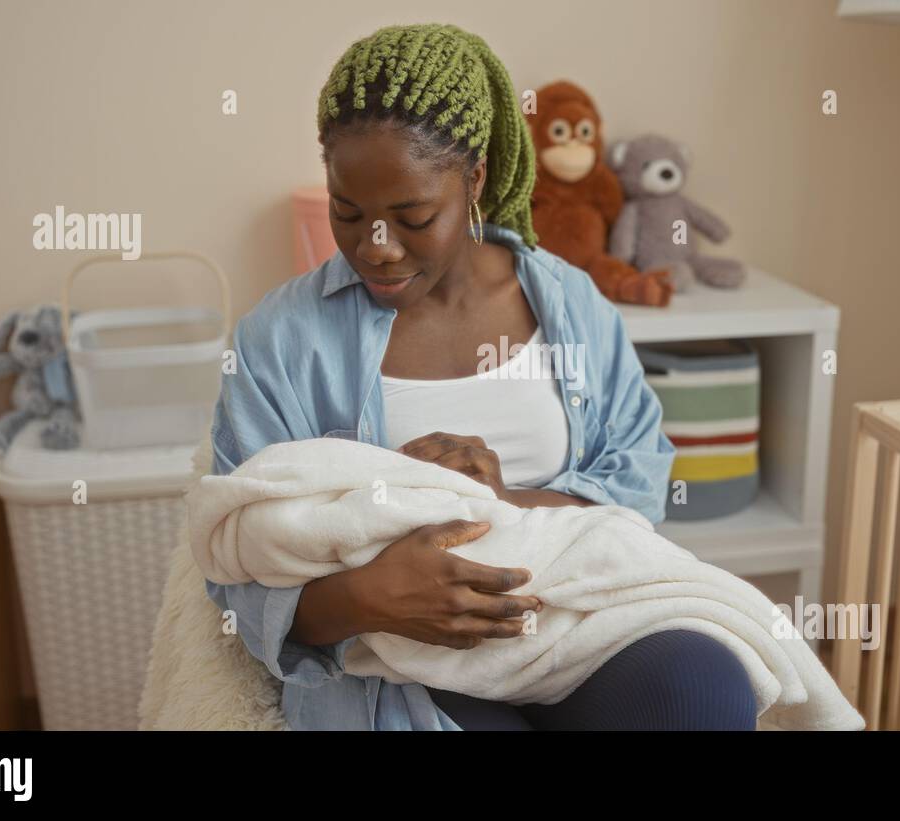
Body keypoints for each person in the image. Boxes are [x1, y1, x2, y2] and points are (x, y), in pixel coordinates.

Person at [205, 22, 756, 730]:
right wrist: (373, 593)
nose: (376, 248)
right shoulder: (280, 341)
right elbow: (238, 572)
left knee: (702, 688)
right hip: (407, 665)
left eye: (412, 216)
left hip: (576, 630)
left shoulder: (569, 305)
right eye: (349, 213)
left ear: (474, 181)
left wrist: (501, 499)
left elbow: (639, 484)